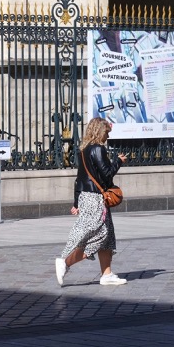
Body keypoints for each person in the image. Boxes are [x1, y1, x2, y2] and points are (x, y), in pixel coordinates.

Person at [55, 116, 128, 287]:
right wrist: (118, 161)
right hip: (95, 199)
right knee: (99, 235)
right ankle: (65, 262)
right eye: (106, 133)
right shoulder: (98, 149)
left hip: (86, 197)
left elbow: (79, 180)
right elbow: (107, 174)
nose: (108, 136)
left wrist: (76, 203)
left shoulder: (84, 150)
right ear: (100, 132)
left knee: (107, 236)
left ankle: (107, 274)